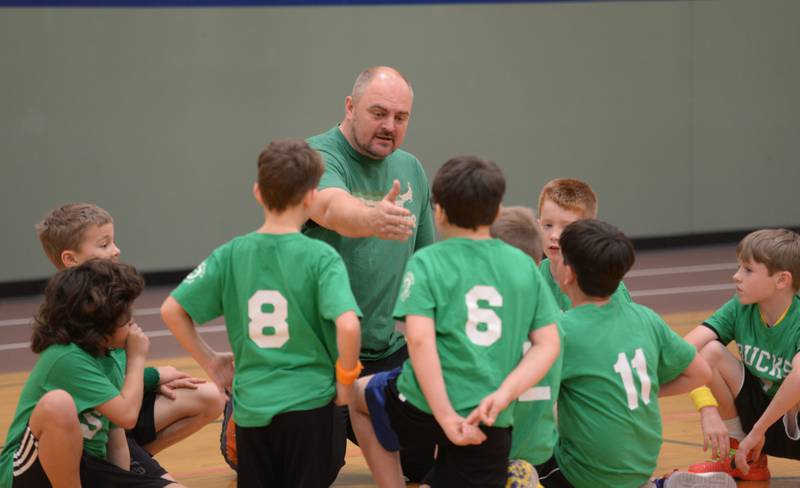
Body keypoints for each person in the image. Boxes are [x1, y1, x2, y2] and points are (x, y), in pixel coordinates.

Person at [349, 155, 561, 488]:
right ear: (495, 212)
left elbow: (420, 342)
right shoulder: (522, 267)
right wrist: (504, 394)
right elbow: (547, 344)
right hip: (490, 416)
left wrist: (445, 415)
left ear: (439, 211)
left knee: (358, 396)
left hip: (420, 406)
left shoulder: (428, 262)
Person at [160, 139, 362, 487]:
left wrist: (211, 362)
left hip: (253, 409)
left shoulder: (231, 254)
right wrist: (345, 381)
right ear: (312, 197)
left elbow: (172, 310)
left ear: (257, 192)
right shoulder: (321, 258)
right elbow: (347, 325)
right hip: (310, 405)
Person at [301, 65, 436, 481]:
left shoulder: (411, 168)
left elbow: (427, 264)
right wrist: (372, 217)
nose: (389, 126)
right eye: (378, 113)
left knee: (419, 465)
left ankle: (356, 412)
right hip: (319, 354)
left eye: (401, 118)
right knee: (318, 471)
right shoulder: (316, 157)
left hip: (382, 349)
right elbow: (330, 207)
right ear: (349, 106)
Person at [34, 202, 225, 479]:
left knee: (208, 396)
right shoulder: (70, 316)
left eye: (113, 241)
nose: (116, 250)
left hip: (115, 421)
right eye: (104, 244)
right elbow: (101, 390)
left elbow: (111, 377)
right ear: (70, 259)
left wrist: (153, 376)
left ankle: (136, 462)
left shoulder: (109, 293)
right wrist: (148, 370)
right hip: (89, 429)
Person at [537, 219, 711, 488]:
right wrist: (647, 389)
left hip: (584, 473)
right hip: (642, 464)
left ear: (568, 273)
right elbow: (701, 373)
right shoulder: (645, 318)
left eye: (560, 256)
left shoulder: (563, 330)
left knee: (516, 464)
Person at [0, 260, 184, 488]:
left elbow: (116, 442)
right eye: (125, 316)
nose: (132, 322)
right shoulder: (66, 357)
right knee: (58, 403)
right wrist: (137, 359)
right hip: (32, 475)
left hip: (90, 468)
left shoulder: (108, 356)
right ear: (100, 325)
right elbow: (127, 415)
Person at [684, 229, 800, 481]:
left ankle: (750, 443)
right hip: (764, 417)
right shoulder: (740, 307)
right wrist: (707, 408)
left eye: (747, 270)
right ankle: (744, 458)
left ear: (782, 280)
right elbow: (684, 351)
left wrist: (759, 430)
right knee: (710, 352)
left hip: (786, 419)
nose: (736, 276)